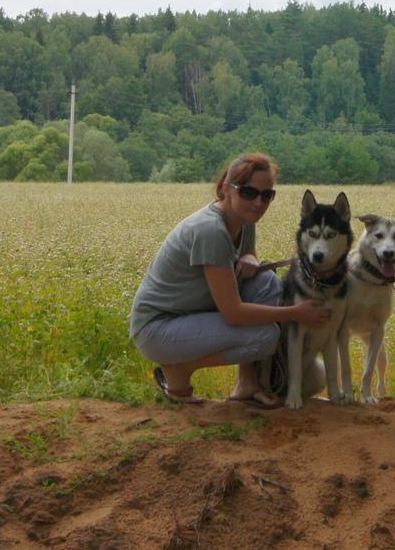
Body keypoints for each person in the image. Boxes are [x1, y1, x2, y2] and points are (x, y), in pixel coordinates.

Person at [130, 152, 329, 406]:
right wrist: (295, 312)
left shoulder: (244, 219)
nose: (258, 202)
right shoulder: (210, 231)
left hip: (191, 314)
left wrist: (250, 258)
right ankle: (180, 369)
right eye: (248, 192)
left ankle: (246, 383)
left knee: (266, 282)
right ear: (226, 188)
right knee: (264, 336)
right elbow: (233, 312)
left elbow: (247, 258)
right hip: (158, 328)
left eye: (267, 195)